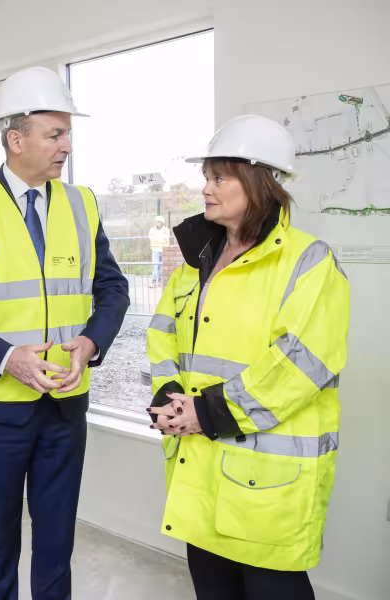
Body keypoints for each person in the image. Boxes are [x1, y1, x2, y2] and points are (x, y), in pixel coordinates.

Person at [0, 66, 129, 600]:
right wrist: (6, 356)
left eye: (67, 133)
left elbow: (113, 290)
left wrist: (89, 344)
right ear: (16, 140)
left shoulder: (82, 203)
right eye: (54, 134)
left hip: (65, 404)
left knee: (58, 539)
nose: (66, 145)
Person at [146, 114, 349, 599]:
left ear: (261, 183)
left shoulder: (308, 261)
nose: (207, 190)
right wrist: (170, 393)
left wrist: (204, 412)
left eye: (220, 178)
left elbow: (301, 365)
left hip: (267, 484)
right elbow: (162, 333)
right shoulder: (198, 260)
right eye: (206, 178)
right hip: (199, 467)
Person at [148, 215, 170, 286]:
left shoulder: (166, 230)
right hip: (155, 249)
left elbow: (166, 238)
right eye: (156, 222)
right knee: (155, 265)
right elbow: (151, 238)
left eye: (158, 222)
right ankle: (154, 281)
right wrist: (161, 237)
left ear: (161, 223)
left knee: (161, 266)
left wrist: (157, 237)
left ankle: (160, 281)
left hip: (163, 250)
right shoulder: (152, 230)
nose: (156, 223)